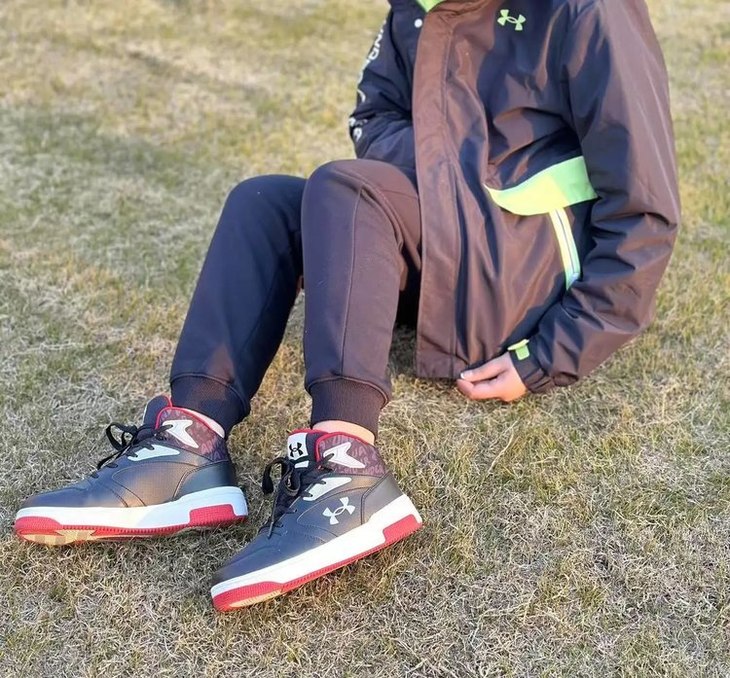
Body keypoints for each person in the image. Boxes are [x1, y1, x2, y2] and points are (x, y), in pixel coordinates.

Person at [14, 0, 680, 612]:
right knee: (266, 202)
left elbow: (646, 213)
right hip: (449, 245)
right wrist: (365, 228)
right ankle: (191, 441)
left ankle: (347, 466)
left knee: (344, 189)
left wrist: (552, 352)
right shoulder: (415, 7)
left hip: (526, 275)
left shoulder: (589, 10)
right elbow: (376, 116)